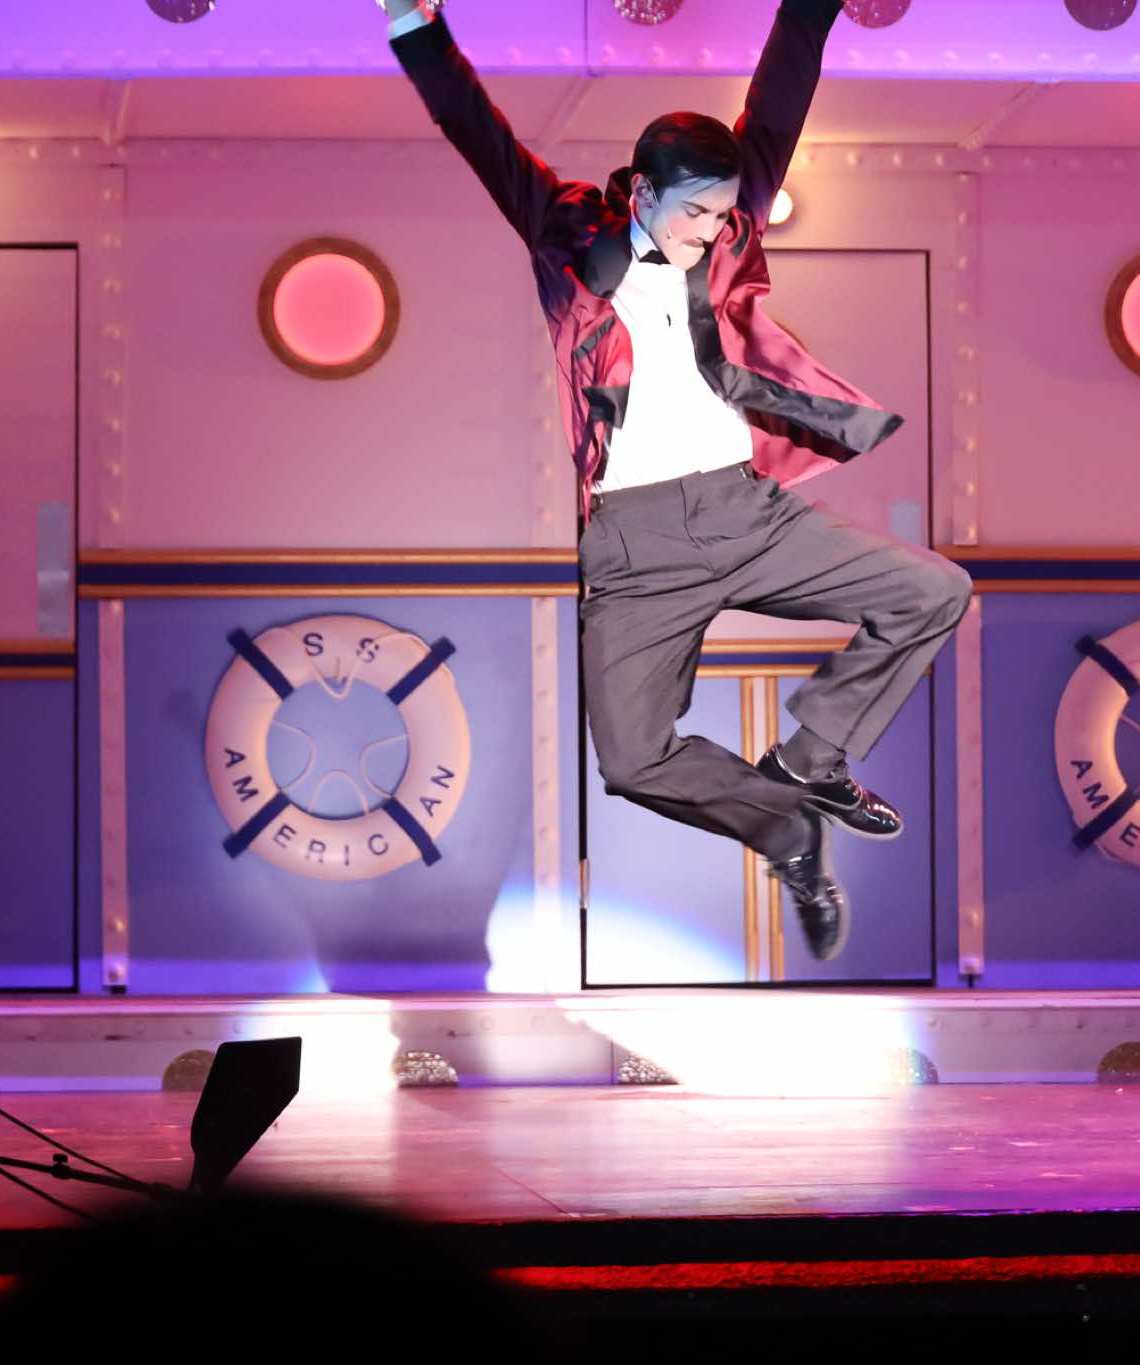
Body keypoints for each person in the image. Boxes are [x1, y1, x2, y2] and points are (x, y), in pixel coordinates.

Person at [384, 0, 971, 960]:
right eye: (694, 210)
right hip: (634, 542)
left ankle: (811, 759)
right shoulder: (563, 228)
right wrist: (414, 24)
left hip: (748, 511)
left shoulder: (730, 230)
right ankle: (786, 827)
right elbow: (472, 127)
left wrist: (811, 6)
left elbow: (777, 103)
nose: (712, 229)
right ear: (644, 192)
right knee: (630, 759)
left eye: (724, 211)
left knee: (934, 589)